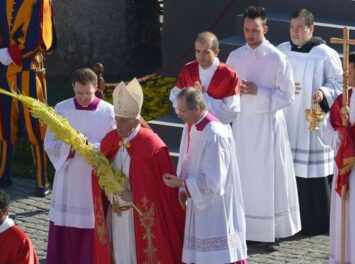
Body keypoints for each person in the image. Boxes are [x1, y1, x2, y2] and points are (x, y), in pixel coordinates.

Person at [226, 5, 301, 249]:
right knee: (243, 174)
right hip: (243, 125)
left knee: (267, 176)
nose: (249, 35)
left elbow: (288, 95)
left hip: (268, 125)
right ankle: (241, 226)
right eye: (246, 30)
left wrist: (259, 91)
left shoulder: (277, 58)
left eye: (255, 30)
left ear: (265, 29)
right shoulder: (235, 57)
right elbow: (224, 90)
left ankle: (270, 231)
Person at [93, 78, 185, 263]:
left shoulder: (152, 146)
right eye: (116, 120)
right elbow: (99, 172)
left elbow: (163, 191)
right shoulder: (111, 139)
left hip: (138, 217)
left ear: (136, 120)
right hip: (114, 213)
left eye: (123, 121)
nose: (118, 125)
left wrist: (134, 193)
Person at [0, 0, 57, 197]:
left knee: (35, 122)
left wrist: (12, 54)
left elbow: (38, 37)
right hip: (0, 69)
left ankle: (41, 177)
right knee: (0, 118)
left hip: (28, 68)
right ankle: (2, 172)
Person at [277, 9, 343, 235]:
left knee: (312, 172)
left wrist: (323, 93)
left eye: (299, 28)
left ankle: (316, 222)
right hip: (286, 119)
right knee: (288, 169)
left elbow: (339, 83)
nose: (294, 32)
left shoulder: (325, 54)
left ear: (311, 29)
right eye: (291, 27)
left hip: (311, 120)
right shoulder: (282, 51)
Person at [163, 88, 247, 264]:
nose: (179, 114)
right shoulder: (196, 128)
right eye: (177, 109)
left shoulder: (214, 134)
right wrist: (182, 187)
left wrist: (183, 183)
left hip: (216, 208)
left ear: (197, 109)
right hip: (200, 203)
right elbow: (189, 159)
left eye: (182, 110)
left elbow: (214, 181)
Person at [44, 68, 115, 263]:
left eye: (88, 93)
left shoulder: (107, 111)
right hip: (68, 174)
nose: (83, 98)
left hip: (93, 175)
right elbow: (50, 143)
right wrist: (70, 146)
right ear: (73, 87)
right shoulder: (62, 109)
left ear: (96, 89)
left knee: (91, 220)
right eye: (79, 93)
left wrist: (91, 146)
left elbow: (114, 144)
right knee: (66, 219)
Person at [322, 51, 355, 264]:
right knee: (343, 215)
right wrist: (340, 137)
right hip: (345, 167)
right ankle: (343, 256)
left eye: (348, 72)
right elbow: (326, 130)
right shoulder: (344, 98)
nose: (344, 76)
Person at [170, 31, 240, 125]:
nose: (201, 56)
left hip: (217, 128)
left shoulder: (229, 74)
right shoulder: (188, 70)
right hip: (191, 127)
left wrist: (202, 98)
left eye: (206, 52)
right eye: (198, 51)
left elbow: (231, 110)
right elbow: (175, 97)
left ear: (216, 52)